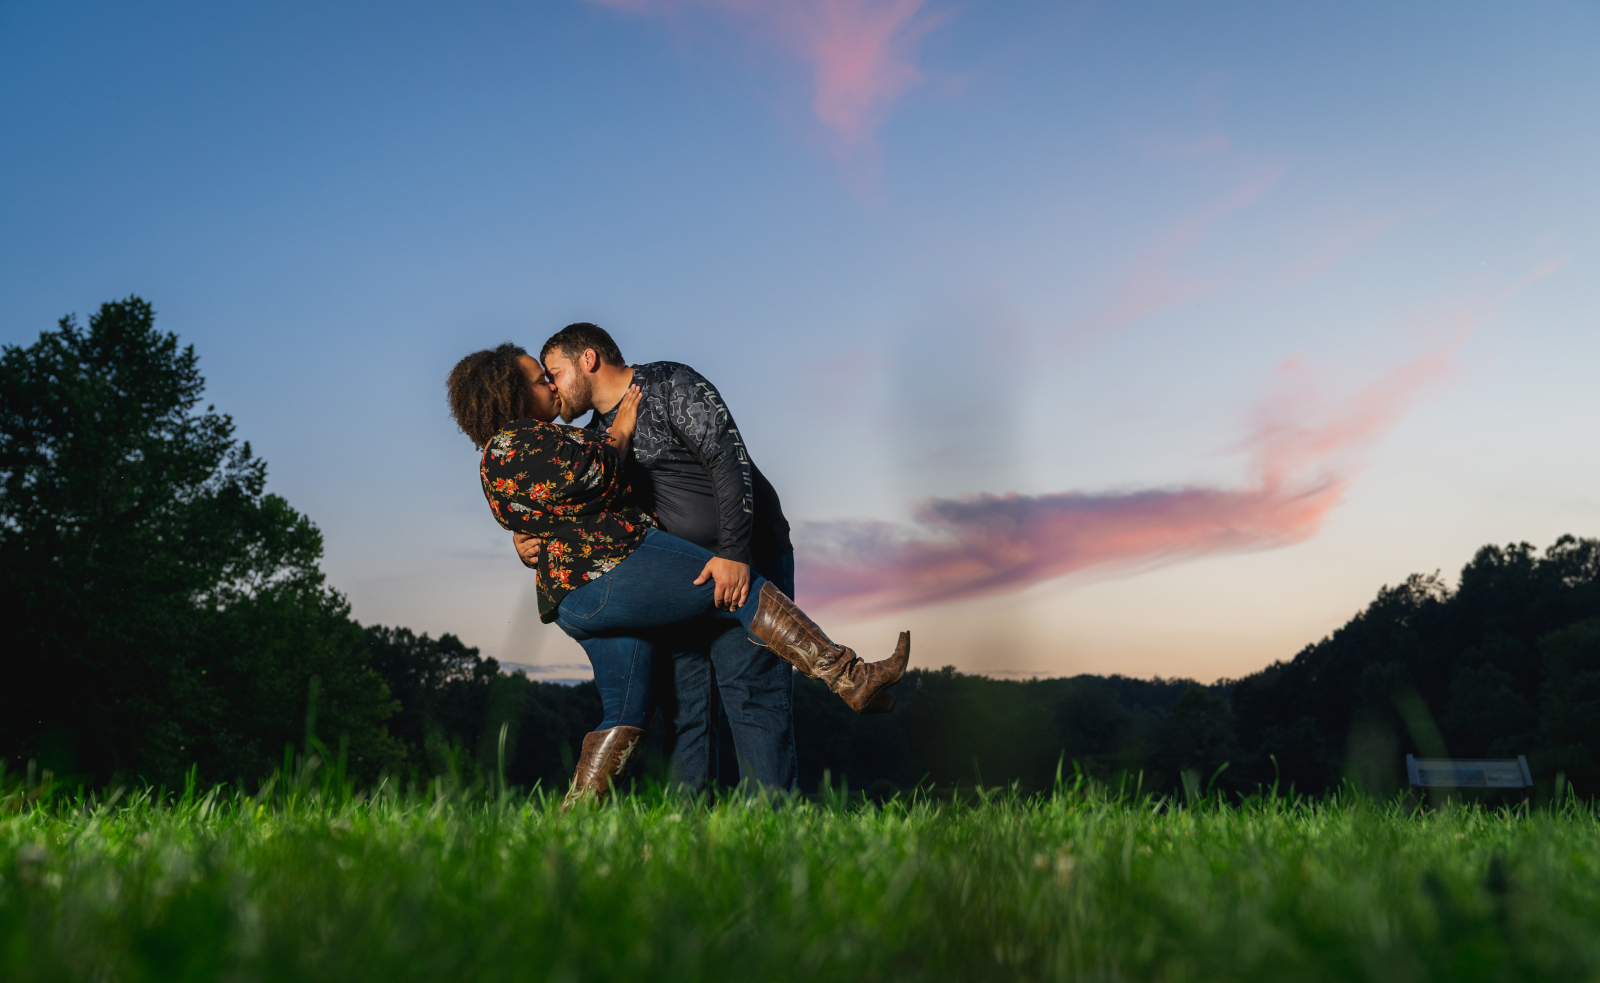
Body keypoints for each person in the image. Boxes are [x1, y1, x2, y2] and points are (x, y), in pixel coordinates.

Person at [445, 343, 911, 806]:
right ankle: (852, 678)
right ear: (509, 393)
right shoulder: (519, 441)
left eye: (551, 373)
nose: (549, 384)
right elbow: (595, 471)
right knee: (739, 590)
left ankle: (579, 820)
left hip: (594, 591)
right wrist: (621, 432)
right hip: (606, 574)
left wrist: (528, 535)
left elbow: (565, 502)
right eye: (538, 377)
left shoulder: (657, 389)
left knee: (632, 706)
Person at [535, 322, 822, 797]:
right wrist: (530, 539)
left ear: (588, 359)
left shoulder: (670, 383)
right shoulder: (599, 440)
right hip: (680, 579)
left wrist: (733, 553)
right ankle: (685, 831)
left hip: (747, 558)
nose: (551, 387)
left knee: (753, 696)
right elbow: (581, 512)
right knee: (685, 705)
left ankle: (776, 831)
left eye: (555, 372)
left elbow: (728, 459)